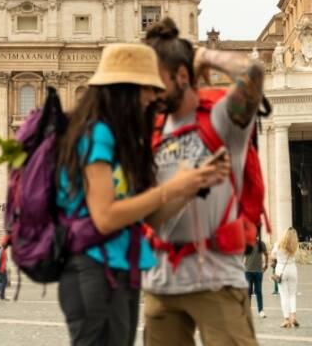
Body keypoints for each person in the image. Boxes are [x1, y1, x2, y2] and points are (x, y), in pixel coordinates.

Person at [56, 42, 228, 346]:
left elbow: (147, 216)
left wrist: (192, 185)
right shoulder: (96, 134)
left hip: (121, 267)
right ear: (125, 89)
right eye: (147, 88)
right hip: (93, 269)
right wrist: (171, 187)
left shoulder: (122, 139)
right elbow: (106, 217)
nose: (154, 96)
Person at [142, 18, 266, 345]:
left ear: (183, 76)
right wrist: (191, 183)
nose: (150, 92)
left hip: (217, 282)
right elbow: (150, 216)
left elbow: (252, 73)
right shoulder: (150, 130)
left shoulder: (222, 118)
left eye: (156, 83)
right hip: (160, 286)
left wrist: (203, 55)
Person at [272, 228, 299, 329]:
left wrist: (278, 258)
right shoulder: (295, 245)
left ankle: (286, 319)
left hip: (281, 270)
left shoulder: (278, 244)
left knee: (284, 295)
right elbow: (296, 255)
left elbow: (273, 255)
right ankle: (293, 317)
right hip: (292, 268)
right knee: (292, 295)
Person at [243, 232, 269, 319]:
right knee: (248, 292)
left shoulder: (261, 244)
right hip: (248, 271)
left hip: (258, 271)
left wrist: (266, 265)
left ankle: (261, 310)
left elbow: (266, 254)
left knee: (258, 292)